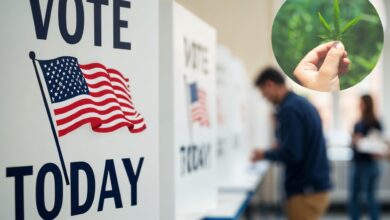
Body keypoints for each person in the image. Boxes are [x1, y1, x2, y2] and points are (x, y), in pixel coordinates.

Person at [251, 68, 332, 220]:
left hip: (305, 191)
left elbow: (293, 154)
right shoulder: (300, 104)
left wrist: (264, 154)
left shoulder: (290, 110)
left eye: (263, 92)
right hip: (314, 187)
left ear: (270, 85)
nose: (264, 97)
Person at [349, 94, 383, 220]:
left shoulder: (375, 123)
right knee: (355, 197)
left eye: (361, 103)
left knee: (369, 197)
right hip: (358, 163)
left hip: (368, 164)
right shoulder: (358, 123)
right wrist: (354, 141)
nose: (359, 106)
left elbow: (376, 146)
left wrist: (360, 141)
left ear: (367, 105)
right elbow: (354, 144)